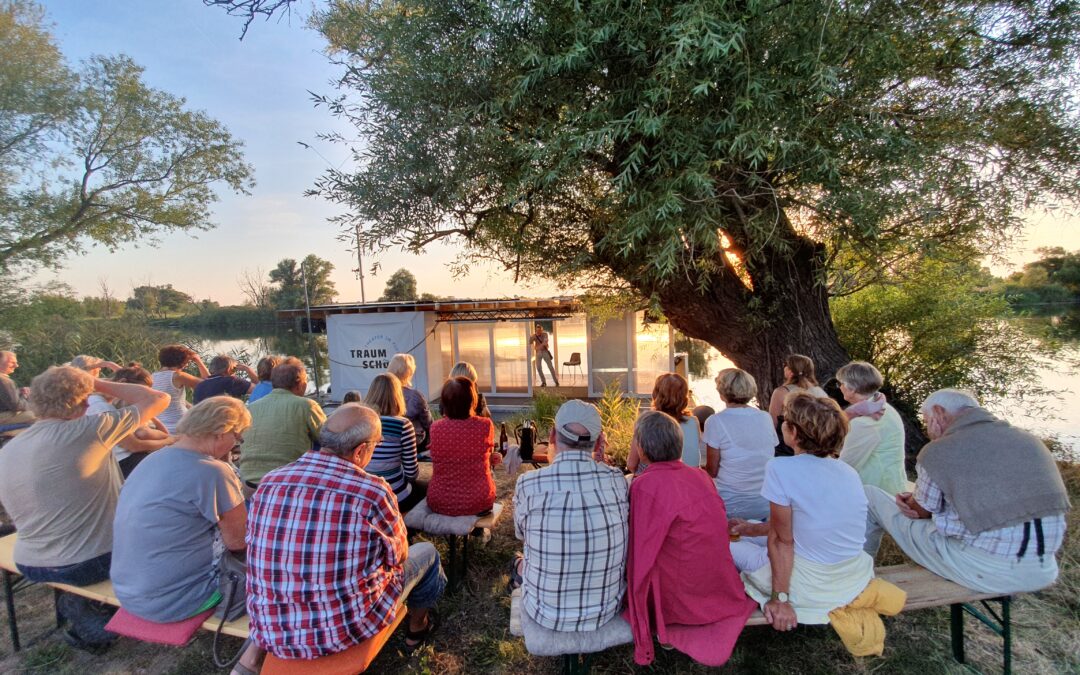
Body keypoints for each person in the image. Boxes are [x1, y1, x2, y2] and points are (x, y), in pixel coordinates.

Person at [242, 404, 446, 673]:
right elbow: (399, 555)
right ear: (360, 451)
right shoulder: (372, 491)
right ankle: (417, 628)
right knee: (427, 554)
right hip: (345, 630)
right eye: (376, 445)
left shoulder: (270, 482)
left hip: (273, 630)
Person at [0, 366, 169, 650]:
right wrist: (95, 382)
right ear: (83, 401)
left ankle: (84, 605)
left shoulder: (10, 449)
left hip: (30, 562)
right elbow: (158, 398)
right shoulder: (91, 429)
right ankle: (98, 608)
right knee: (164, 534)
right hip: (89, 563)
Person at [864, 389, 1070, 595]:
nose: (927, 429)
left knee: (870, 496)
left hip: (985, 571)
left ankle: (857, 578)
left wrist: (911, 500)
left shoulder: (940, 450)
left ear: (939, 412)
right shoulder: (1029, 441)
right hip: (1044, 569)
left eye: (927, 421)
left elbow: (919, 512)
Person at [731, 393, 875, 634]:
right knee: (750, 527)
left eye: (785, 420)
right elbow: (805, 522)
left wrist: (780, 599)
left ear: (794, 432)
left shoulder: (780, 468)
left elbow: (782, 540)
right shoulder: (847, 471)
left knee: (725, 544)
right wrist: (751, 529)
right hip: (852, 575)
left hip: (811, 583)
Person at [624, 411, 756, 666]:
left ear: (642, 449)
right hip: (715, 583)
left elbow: (640, 549)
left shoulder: (645, 485)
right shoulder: (701, 476)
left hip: (681, 595)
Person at [111, 397, 248, 622]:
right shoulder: (213, 471)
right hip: (179, 600)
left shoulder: (152, 459)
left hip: (129, 593)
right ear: (222, 432)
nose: (235, 444)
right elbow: (239, 542)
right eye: (238, 436)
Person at [511, 400, 629, 632]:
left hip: (544, 612)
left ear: (552, 436)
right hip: (605, 610)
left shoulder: (528, 483)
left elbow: (521, 534)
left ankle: (517, 572)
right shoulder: (617, 480)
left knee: (520, 558)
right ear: (599, 442)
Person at [237, 357, 325, 489]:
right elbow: (329, 439)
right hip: (285, 484)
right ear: (301, 385)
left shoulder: (250, 408)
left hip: (249, 484)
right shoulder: (307, 405)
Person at [703, 368, 778, 520]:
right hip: (764, 503)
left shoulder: (716, 421)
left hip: (730, 505)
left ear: (722, 392)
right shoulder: (765, 417)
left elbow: (712, 471)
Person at [427, 376, 501, 516]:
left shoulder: (435, 428)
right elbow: (488, 458)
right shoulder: (485, 425)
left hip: (440, 501)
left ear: (444, 402)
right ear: (472, 400)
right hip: (479, 500)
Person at [86, 363, 173, 478]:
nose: (140, 398)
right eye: (138, 392)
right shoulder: (101, 407)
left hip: (129, 460)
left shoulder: (109, 405)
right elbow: (134, 445)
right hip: (124, 463)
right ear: (123, 383)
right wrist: (169, 441)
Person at [835, 361, 907, 495]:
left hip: (875, 493)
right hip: (891, 486)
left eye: (841, 383)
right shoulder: (882, 407)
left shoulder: (865, 422)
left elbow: (845, 465)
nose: (840, 387)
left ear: (852, 389)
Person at [364, 373, 424, 512]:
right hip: (394, 495)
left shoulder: (360, 421)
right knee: (423, 490)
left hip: (365, 494)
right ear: (397, 396)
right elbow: (412, 473)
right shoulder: (403, 424)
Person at [627, 373, 702, 473]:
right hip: (690, 478)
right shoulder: (693, 422)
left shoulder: (646, 421)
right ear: (684, 396)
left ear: (656, 394)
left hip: (656, 478)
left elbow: (631, 464)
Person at [768, 354, 828, 456]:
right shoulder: (821, 392)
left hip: (788, 448)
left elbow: (772, 423)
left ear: (790, 371)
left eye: (785, 365)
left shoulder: (782, 392)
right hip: (818, 445)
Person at [152, 344, 209, 433]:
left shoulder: (152, 377)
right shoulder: (178, 376)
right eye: (187, 362)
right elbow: (209, 384)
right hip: (181, 425)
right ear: (182, 362)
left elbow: (173, 400)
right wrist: (198, 361)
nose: (187, 365)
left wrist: (192, 407)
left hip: (162, 427)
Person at [389, 353, 433, 452]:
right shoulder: (416, 396)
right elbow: (428, 423)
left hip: (386, 439)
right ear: (409, 373)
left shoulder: (382, 393)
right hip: (413, 441)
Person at [193, 355, 258, 404]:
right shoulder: (231, 381)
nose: (235, 373)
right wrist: (249, 370)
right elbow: (259, 388)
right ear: (229, 369)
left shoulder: (199, 386)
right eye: (234, 369)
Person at [0, 350, 34, 431]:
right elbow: (16, 405)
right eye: (12, 362)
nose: (16, 365)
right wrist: (34, 406)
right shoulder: (4, 381)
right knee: (43, 416)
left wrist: (19, 392)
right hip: (3, 416)